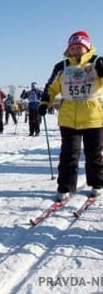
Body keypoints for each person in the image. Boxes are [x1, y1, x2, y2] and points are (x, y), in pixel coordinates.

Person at [39, 31, 103, 201]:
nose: (75, 50)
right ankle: (65, 187)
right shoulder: (62, 66)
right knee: (68, 154)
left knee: (94, 154)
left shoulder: (97, 62)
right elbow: (51, 87)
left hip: (93, 117)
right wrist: (45, 103)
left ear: (87, 47)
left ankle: (97, 183)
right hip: (68, 118)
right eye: (72, 47)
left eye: (79, 47)